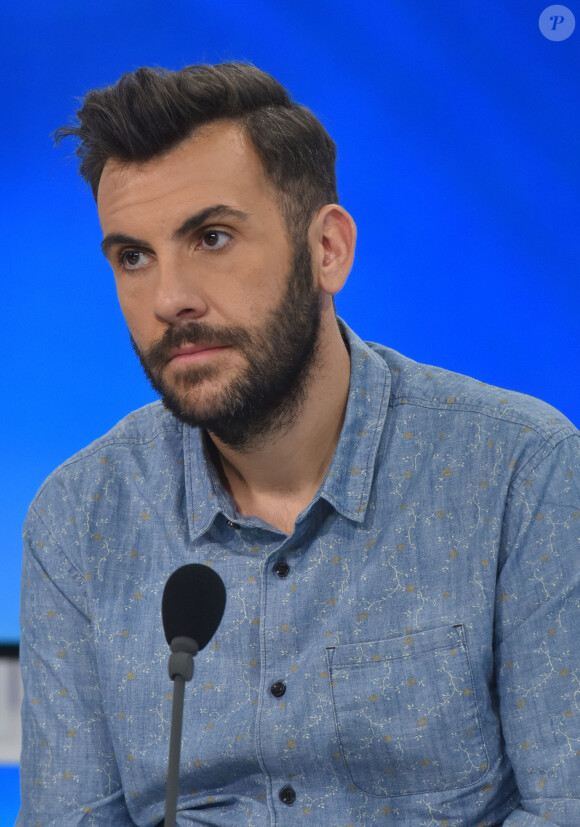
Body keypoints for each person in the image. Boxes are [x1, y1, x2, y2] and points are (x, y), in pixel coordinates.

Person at [18, 63, 579, 826]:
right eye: (133, 256)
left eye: (211, 237)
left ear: (328, 250)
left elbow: (565, 806)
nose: (168, 297)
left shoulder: (523, 471)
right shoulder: (78, 520)